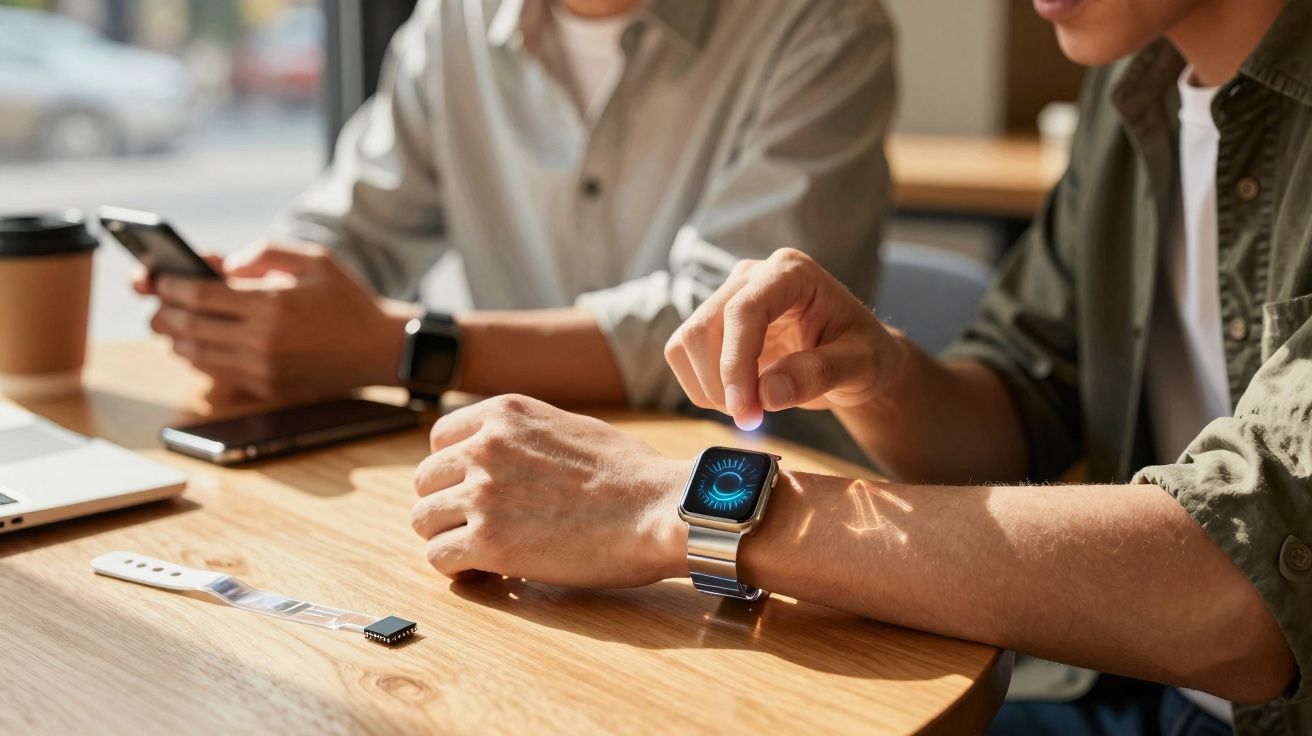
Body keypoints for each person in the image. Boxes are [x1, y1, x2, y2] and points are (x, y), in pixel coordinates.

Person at [407, 0, 1312, 734]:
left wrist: (678, 504)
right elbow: (1018, 414)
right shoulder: (1131, 84)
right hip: (1124, 690)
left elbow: (1240, 594)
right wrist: (880, 375)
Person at [133, 0, 893, 428]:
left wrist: (402, 347)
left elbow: (728, 329)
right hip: (505, 473)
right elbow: (352, 226)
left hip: (751, 495)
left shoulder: (821, 26)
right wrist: (262, 303)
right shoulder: (451, 23)